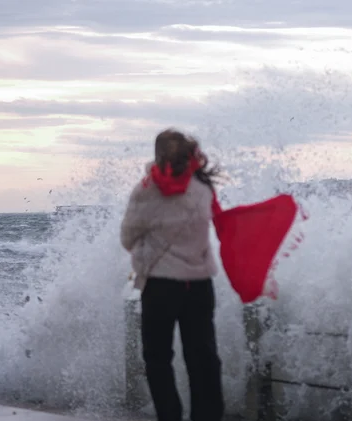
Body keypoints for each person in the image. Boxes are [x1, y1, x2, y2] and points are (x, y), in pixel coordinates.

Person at [120, 128, 224, 421]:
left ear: (158, 155)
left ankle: (170, 415)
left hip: (160, 287)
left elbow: (127, 238)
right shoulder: (203, 188)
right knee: (203, 358)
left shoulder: (145, 191)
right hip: (199, 285)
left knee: (158, 359)